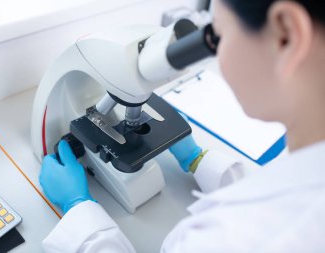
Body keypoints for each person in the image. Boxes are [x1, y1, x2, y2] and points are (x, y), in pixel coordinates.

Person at [39, 0, 325, 251]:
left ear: (286, 35)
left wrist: (79, 212)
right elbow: (273, 196)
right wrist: (199, 160)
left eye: (217, 36)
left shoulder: (227, 241)